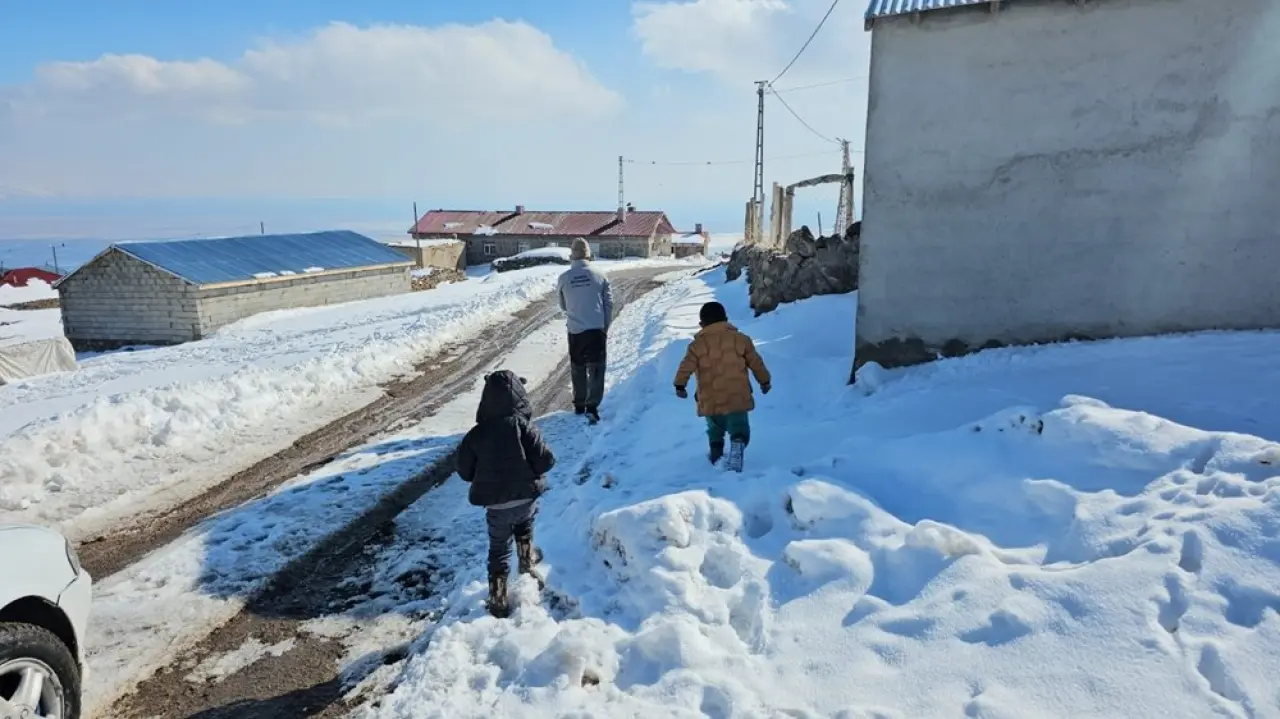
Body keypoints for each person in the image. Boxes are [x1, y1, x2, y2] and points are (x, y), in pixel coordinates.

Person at [456, 369, 556, 618]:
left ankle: (498, 597)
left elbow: (464, 471)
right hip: (525, 498)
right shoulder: (524, 427)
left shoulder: (476, 435)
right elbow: (546, 461)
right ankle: (526, 561)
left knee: (498, 548)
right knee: (525, 524)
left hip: (496, 507)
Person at [673, 301, 772, 472]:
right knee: (739, 427)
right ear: (726, 319)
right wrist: (764, 381)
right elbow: (756, 363)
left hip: (711, 398)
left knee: (714, 428)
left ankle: (716, 452)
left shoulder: (696, 346)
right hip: (737, 396)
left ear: (701, 325)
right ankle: (738, 442)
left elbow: (685, 367)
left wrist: (680, 385)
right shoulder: (741, 340)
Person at [557, 238, 614, 424]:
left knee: (578, 368)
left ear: (572, 256)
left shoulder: (564, 278)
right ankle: (592, 406)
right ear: (589, 255)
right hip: (596, 329)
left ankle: (579, 404)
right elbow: (609, 303)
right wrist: (604, 325)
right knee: (596, 369)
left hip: (575, 330)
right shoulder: (600, 275)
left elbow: (563, 305)